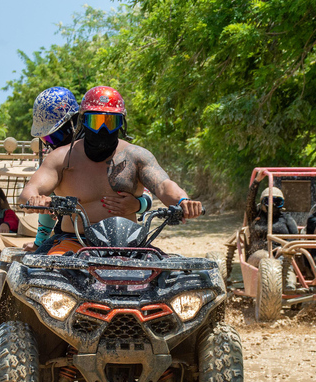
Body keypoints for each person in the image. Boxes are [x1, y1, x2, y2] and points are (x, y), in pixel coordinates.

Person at [19, 85, 202, 255]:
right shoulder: (61, 158)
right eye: (95, 121)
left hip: (130, 244)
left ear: (122, 123)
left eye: (111, 121)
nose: (103, 129)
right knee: (43, 277)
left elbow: (163, 185)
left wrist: (183, 201)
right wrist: (36, 199)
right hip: (73, 243)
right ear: (83, 121)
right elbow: (28, 192)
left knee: (167, 279)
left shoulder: (137, 155)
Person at [24, 86, 153, 253]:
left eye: (57, 136)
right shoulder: (58, 158)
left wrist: (137, 204)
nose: (53, 143)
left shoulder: (104, 145)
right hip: (73, 236)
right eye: (47, 138)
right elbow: (43, 197)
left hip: (121, 235)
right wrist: (40, 241)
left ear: (76, 123)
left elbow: (145, 189)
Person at [246, 186, 298, 265]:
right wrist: (257, 181)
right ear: (262, 203)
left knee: (284, 260)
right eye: (268, 201)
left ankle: (285, 273)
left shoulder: (286, 218)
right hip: (258, 254)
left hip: (281, 253)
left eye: (277, 202)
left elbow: (295, 238)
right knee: (267, 258)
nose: (273, 205)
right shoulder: (255, 215)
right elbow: (249, 201)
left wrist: (283, 249)